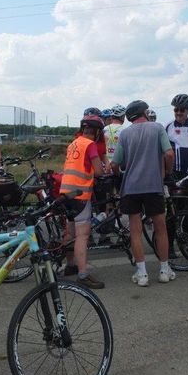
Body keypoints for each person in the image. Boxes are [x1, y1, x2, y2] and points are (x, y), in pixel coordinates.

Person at [111, 100, 175, 287]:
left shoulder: (125, 133)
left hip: (130, 188)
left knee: (135, 231)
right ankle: (164, 270)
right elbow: (169, 154)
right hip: (153, 185)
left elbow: (115, 164)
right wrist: (167, 171)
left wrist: (119, 174)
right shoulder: (157, 128)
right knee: (160, 228)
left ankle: (142, 274)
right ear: (144, 113)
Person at [60, 114, 109, 289]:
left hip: (65, 192)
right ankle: (83, 274)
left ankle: (70, 265)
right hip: (80, 194)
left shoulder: (74, 143)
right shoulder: (90, 145)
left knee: (70, 232)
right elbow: (98, 171)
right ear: (96, 132)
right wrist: (105, 169)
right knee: (82, 236)